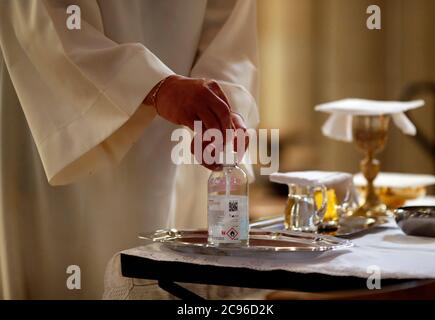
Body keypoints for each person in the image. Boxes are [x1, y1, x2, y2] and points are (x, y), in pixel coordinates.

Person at [0, 0, 258, 299]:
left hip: (179, 140)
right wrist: (152, 85)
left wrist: (223, 109)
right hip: (65, 112)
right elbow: (41, 17)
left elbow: (230, 39)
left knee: (161, 274)